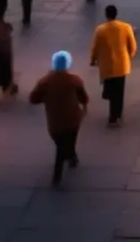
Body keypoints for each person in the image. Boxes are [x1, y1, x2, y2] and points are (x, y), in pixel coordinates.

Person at [29, 51, 90, 186]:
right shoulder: (74, 80)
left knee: (60, 145)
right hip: (74, 118)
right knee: (70, 139)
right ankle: (72, 157)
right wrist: (84, 107)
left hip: (55, 120)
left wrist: (45, 98)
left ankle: (58, 174)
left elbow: (33, 99)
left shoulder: (45, 81)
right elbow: (83, 97)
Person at [90, 5, 138, 125]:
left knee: (111, 90)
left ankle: (112, 115)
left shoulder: (100, 30)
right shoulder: (126, 27)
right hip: (122, 64)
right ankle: (118, 113)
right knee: (120, 90)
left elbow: (95, 47)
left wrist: (93, 59)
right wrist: (129, 57)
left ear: (106, 15)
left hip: (107, 65)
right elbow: (133, 46)